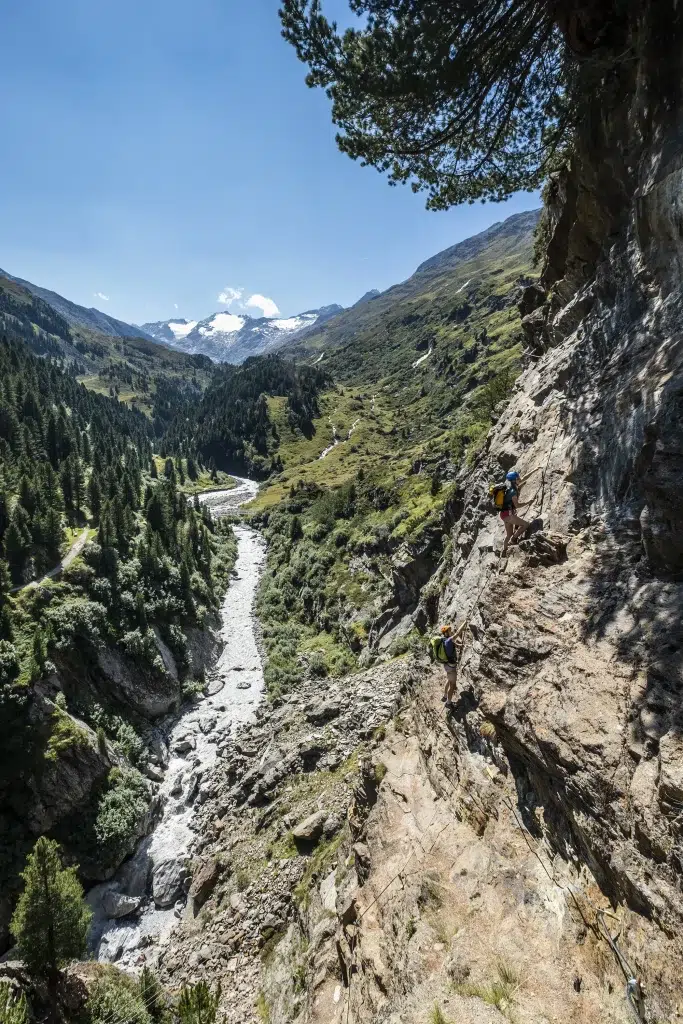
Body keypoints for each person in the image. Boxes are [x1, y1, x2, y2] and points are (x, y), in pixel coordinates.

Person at [429, 622, 467, 709]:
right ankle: (448, 703)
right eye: (449, 631)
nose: (451, 632)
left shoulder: (443, 640)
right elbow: (458, 632)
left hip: (446, 665)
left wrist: (458, 645)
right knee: (452, 685)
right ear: (446, 633)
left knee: (449, 679)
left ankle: (445, 696)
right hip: (451, 667)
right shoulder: (449, 640)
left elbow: (451, 645)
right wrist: (465, 622)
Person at [500, 470, 532, 554]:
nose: (519, 479)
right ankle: (513, 540)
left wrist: (535, 470)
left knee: (508, 535)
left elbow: (522, 479)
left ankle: (504, 550)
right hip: (509, 515)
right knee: (526, 524)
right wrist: (528, 503)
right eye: (518, 478)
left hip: (503, 515)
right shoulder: (513, 492)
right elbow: (517, 505)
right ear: (514, 480)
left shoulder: (507, 486)